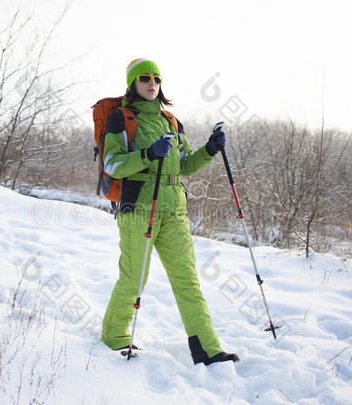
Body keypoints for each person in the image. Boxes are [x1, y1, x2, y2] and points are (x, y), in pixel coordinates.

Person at [100, 58, 239, 366]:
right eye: (145, 78)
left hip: (174, 211)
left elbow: (185, 165)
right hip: (138, 209)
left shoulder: (171, 122)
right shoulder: (122, 119)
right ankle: (114, 337)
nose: (152, 83)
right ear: (133, 83)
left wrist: (210, 149)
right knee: (134, 278)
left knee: (187, 279)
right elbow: (112, 164)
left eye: (157, 79)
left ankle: (207, 348)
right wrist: (148, 154)